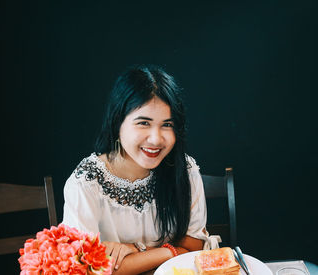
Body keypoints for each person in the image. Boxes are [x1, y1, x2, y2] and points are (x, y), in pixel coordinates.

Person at [62, 65, 213, 274]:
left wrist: (135, 250)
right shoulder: (86, 182)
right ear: (118, 122)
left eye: (167, 124)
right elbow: (87, 270)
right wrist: (172, 251)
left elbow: (194, 248)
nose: (156, 139)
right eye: (143, 123)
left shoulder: (184, 169)